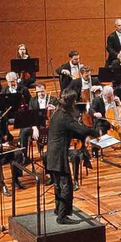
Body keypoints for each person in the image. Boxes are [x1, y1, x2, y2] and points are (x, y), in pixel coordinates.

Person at [43, 91, 84, 224]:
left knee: (58, 184)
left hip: (52, 154)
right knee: (66, 186)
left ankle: (57, 209)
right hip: (58, 156)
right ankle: (62, 216)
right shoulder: (64, 116)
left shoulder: (56, 113)